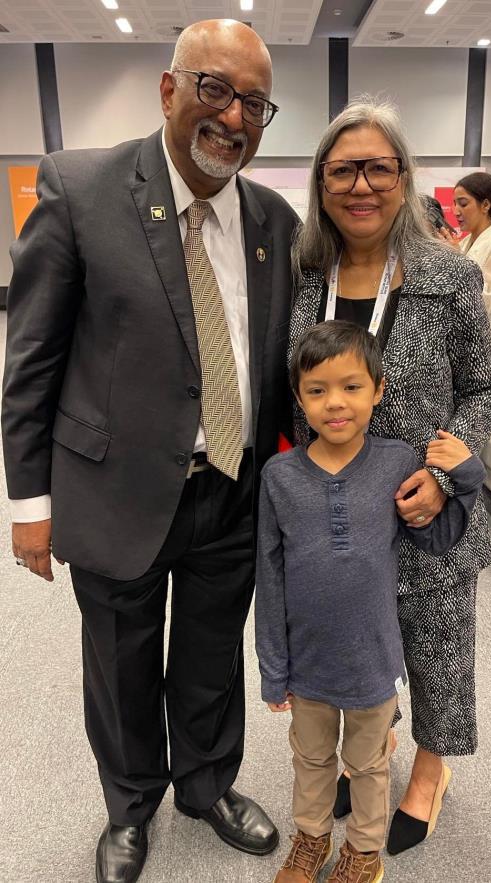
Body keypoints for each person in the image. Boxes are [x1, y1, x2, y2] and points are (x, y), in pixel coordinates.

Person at [1, 19, 299, 883]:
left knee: (212, 655)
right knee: (121, 661)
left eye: (254, 103)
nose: (233, 116)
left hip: (231, 486)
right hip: (113, 489)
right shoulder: (80, 187)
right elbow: (32, 360)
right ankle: (130, 802)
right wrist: (29, 506)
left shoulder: (273, 220)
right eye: (215, 88)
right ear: (169, 90)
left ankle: (206, 784)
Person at [288, 97, 491, 856]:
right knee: (352, 640)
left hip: (423, 511)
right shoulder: (304, 275)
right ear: (321, 181)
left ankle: (431, 769)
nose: (361, 186)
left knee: (437, 646)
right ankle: (367, 743)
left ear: (405, 178)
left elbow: (485, 388)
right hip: (334, 515)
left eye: (379, 169)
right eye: (343, 169)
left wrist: (446, 471)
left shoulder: (448, 275)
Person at [256, 320, 485, 883]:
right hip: (307, 665)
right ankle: (311, 840)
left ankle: (362, 853)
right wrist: (272, 667)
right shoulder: (279, 477)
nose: (335, 402)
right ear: (300, 398)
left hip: (373, 663)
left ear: (378, 390)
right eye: (317, 390)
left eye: (352, 386)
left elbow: (434, 539)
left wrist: (465, 480)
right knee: (311, 761)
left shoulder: (397, 462)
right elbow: (270, 575)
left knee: (369, 764)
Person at [440, 172, 491, 366]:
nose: (456, 211)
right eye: (454, 204)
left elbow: (483, 304)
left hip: (482, 350)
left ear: (485, 205)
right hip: (458, 347)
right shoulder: (465, 242)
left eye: (463, 204)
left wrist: (456, 260)